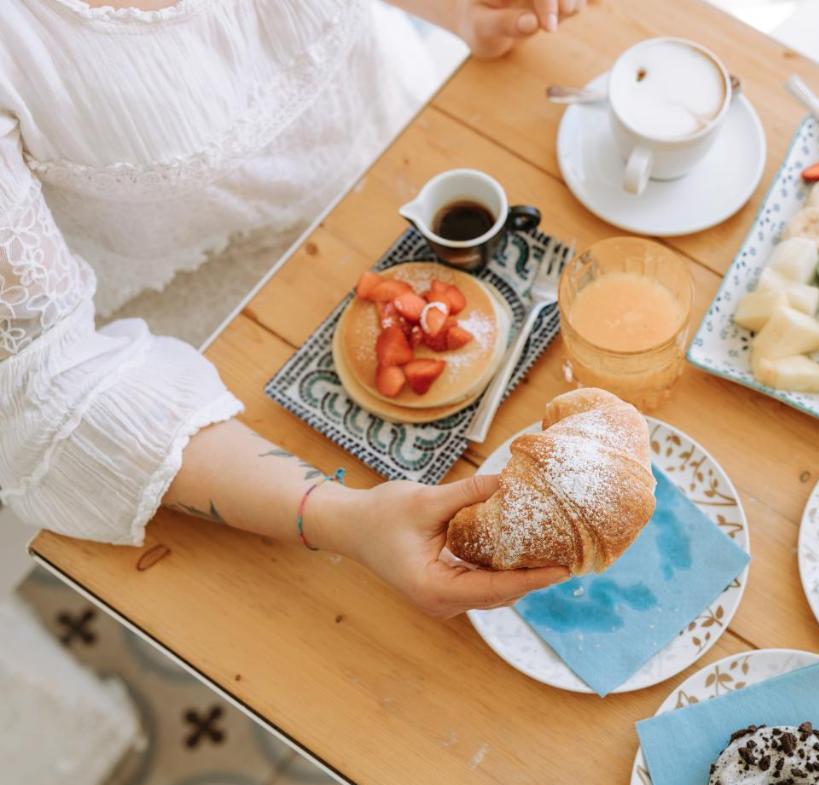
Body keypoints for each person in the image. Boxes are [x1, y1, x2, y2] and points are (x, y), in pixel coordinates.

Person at [0, 0, 587, 617]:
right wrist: (345, 519)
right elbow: (41, 389)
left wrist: (462, 11)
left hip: (404, 142)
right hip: (220, 332)